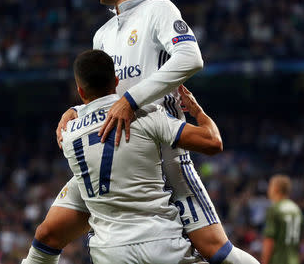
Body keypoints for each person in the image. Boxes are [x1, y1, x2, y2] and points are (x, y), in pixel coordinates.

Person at [41, 0, 259, 263]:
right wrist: (76, 110)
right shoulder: (101, 35)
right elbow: (102, 94)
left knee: (215, 250)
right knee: (47, 233)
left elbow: (190, 57)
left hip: (164, 154)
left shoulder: (159, 11)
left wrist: (132, 100)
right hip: (115, 158)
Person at [23, 49, 223, 264]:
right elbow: (212, 142)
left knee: (47, 234)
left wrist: (74, 110)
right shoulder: (148, 115)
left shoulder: (68, 134)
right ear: (117, 81)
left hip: (109, 252)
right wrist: (198, 113)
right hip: (161, 244)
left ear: (81, 92)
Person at [262, 175, 303, 264]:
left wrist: (265, 262)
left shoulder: (275, 209)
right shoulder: (296, 210)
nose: (268, 189)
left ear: (276, 189)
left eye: (270, 186)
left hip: (278, 260)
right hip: (294, 260)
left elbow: (269, 240)